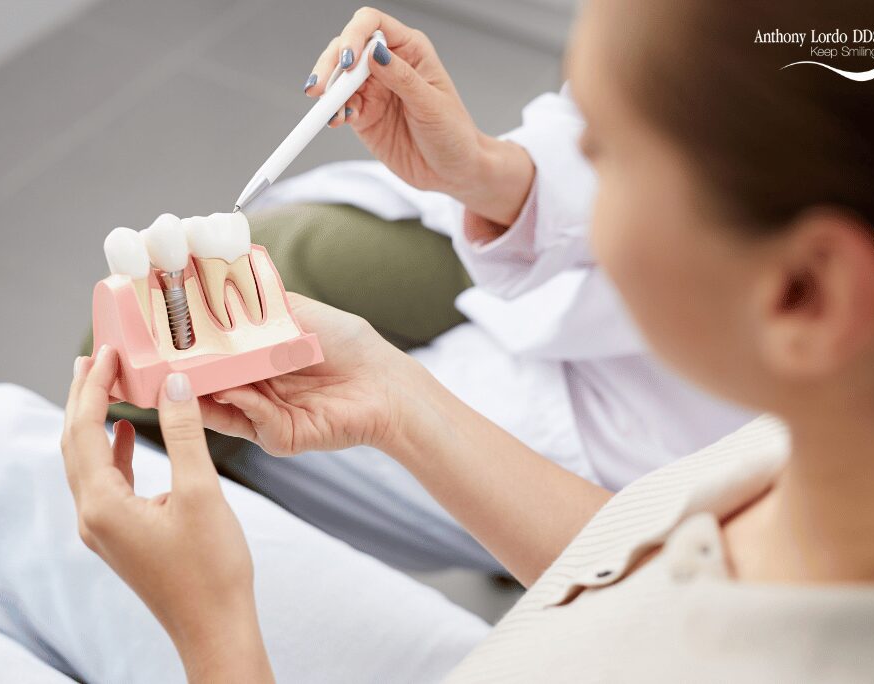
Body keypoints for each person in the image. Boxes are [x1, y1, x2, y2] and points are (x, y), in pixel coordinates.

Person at [61, 0, 874, 680]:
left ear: (804, 295)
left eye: (606, 153)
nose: (578, 176)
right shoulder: (817, 467)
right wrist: (397, 403)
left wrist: (216, 635)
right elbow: (644, 555)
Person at [87, 28, 755, 574]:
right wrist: (489, 173)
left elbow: (638, 579)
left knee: (172, 424)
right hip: (569, 278)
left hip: (615, 442)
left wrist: (400, 408)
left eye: (606, 151)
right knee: (273, 258)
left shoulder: (740, 539)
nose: (588, 156)